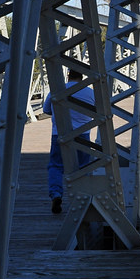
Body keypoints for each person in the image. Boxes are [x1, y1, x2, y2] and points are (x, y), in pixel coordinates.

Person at [43, 70, 95, 214]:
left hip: (59, 134)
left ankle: (56, 194)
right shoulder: (90, 92)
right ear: (82, 77)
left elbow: (46, 110)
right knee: (84, 166)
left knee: (55, 166)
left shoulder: (57, 90)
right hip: (83, 134)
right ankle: (82, 197)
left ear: (68, 76)